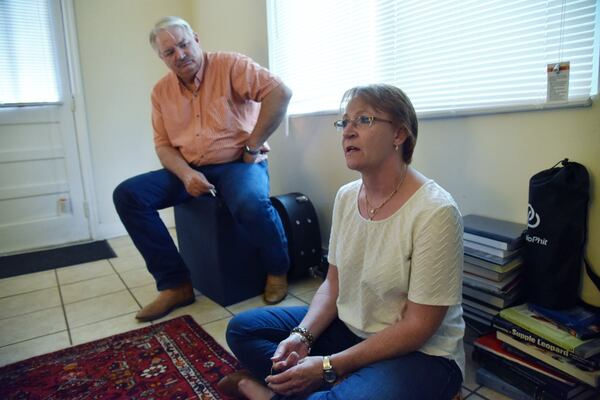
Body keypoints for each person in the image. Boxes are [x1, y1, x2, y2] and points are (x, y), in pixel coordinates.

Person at [218, 84, 465, 399]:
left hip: (421, 354)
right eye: (344, 122)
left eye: (363, 120)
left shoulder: (435, 211)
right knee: (243, 329)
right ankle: (327, 384)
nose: (347, 131)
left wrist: (327, 366)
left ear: (399, 134)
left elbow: (419, 327)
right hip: (351, 331)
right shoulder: (347, 196)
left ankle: (262, 390)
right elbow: (333, 286)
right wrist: (302, 336)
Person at [113, 16, 292, 322]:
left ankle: (277, 269)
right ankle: (176, 284)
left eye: (183, 44)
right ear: (161, 57)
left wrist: (252, 145)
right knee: (128, 195)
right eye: (169, 52)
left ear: (195, 39)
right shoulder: (160, 92)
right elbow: (164, 146)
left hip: (239, 163)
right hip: (191, 168)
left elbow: (280, 93)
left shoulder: (231, 65)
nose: (180, 55)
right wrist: (186, 174)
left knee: (250, 203)